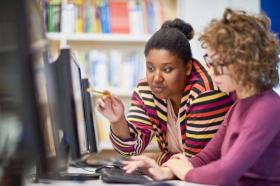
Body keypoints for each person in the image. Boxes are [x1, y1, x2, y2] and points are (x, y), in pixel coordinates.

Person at [123, 8, 280, 185]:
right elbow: (204, 158)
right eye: (208, 60)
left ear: (243, 63)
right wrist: (165, 171)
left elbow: (223, 173)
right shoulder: (239, 106)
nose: (209, 70)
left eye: (215, 63)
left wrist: (185, 173)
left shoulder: (267, 108)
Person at [97, 18, 235, 166]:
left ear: (187, 67)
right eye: (150, 68)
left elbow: (196, 163)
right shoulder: (146, 89)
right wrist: (117, 120)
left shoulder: (205, 91)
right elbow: (131, 148)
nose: (156, 78)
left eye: (167, 69)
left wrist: (156, 158)